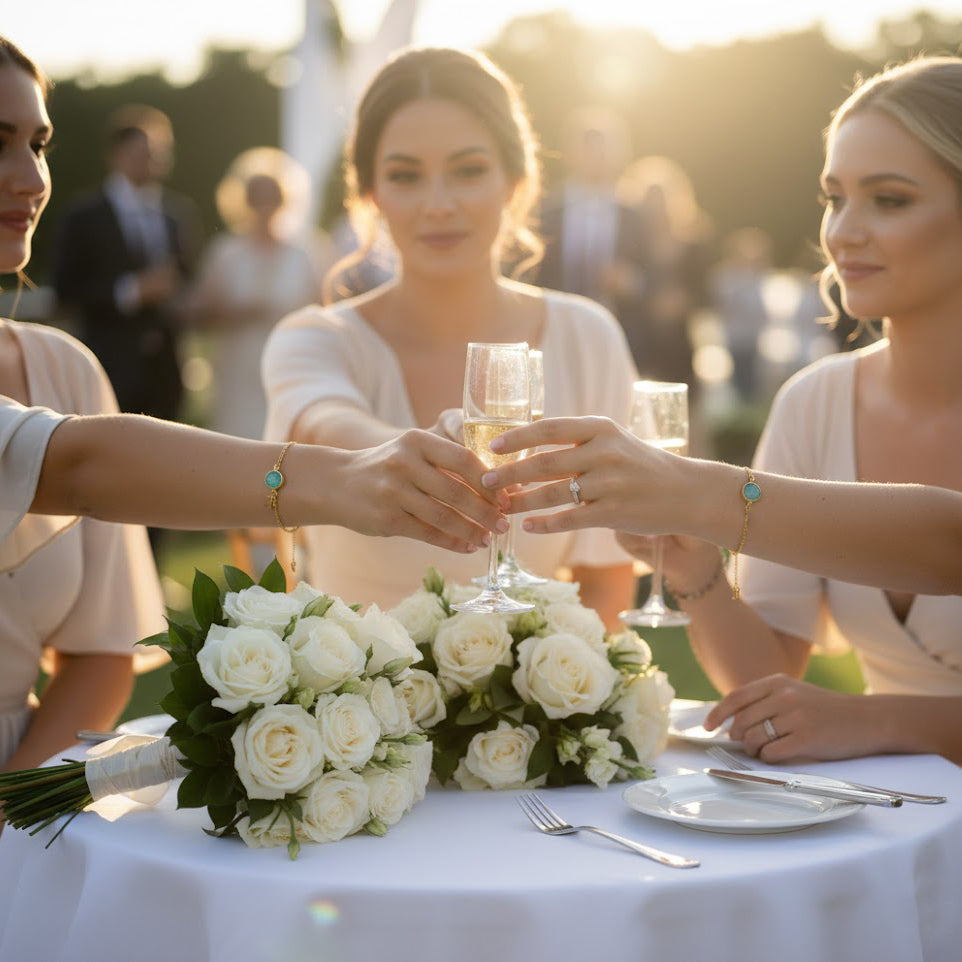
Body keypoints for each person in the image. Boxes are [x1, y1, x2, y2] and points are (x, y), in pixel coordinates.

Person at [0, 36, 505, 774]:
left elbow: (103, 655)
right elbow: (78, 464)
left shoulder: (65, 372)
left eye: (39, 143)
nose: (32, 177)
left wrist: (11, 817)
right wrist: (346, 479)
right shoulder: (86, 437)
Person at [486, 56, 962, 766]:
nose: (842, 232)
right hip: (908, 832)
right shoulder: (815, 403)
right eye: (835, 198)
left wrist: (886, 719)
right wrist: (694, 564)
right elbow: (768, 682)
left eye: (889, 200)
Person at [262, 47, 638, 624]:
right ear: (370, 195)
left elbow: (604, 577)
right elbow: (323, 418)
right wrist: (396, 453)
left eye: (467, 170)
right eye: (405, 176)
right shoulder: (315, 339)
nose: (439, 205)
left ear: (515, 181)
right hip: (348, 709)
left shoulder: (588, 337)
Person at [52, 102, 198, 425]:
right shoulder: (84, 216)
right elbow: (65, 289)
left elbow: (186, 275)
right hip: (109, 365)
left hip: (166, 370)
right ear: (116, 155)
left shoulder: (176, 214)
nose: (154, 160)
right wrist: (130, 291)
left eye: (161, 151)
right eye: (144, 151)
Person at [534, 105, 649, 361]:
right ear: (571, 153)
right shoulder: (547, 212)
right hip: (555, 336)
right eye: (588, 146)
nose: (597, 155)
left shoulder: (637, 216)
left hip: (620, 338)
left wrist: (632, 282)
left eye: (605, 147)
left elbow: (658, 278)